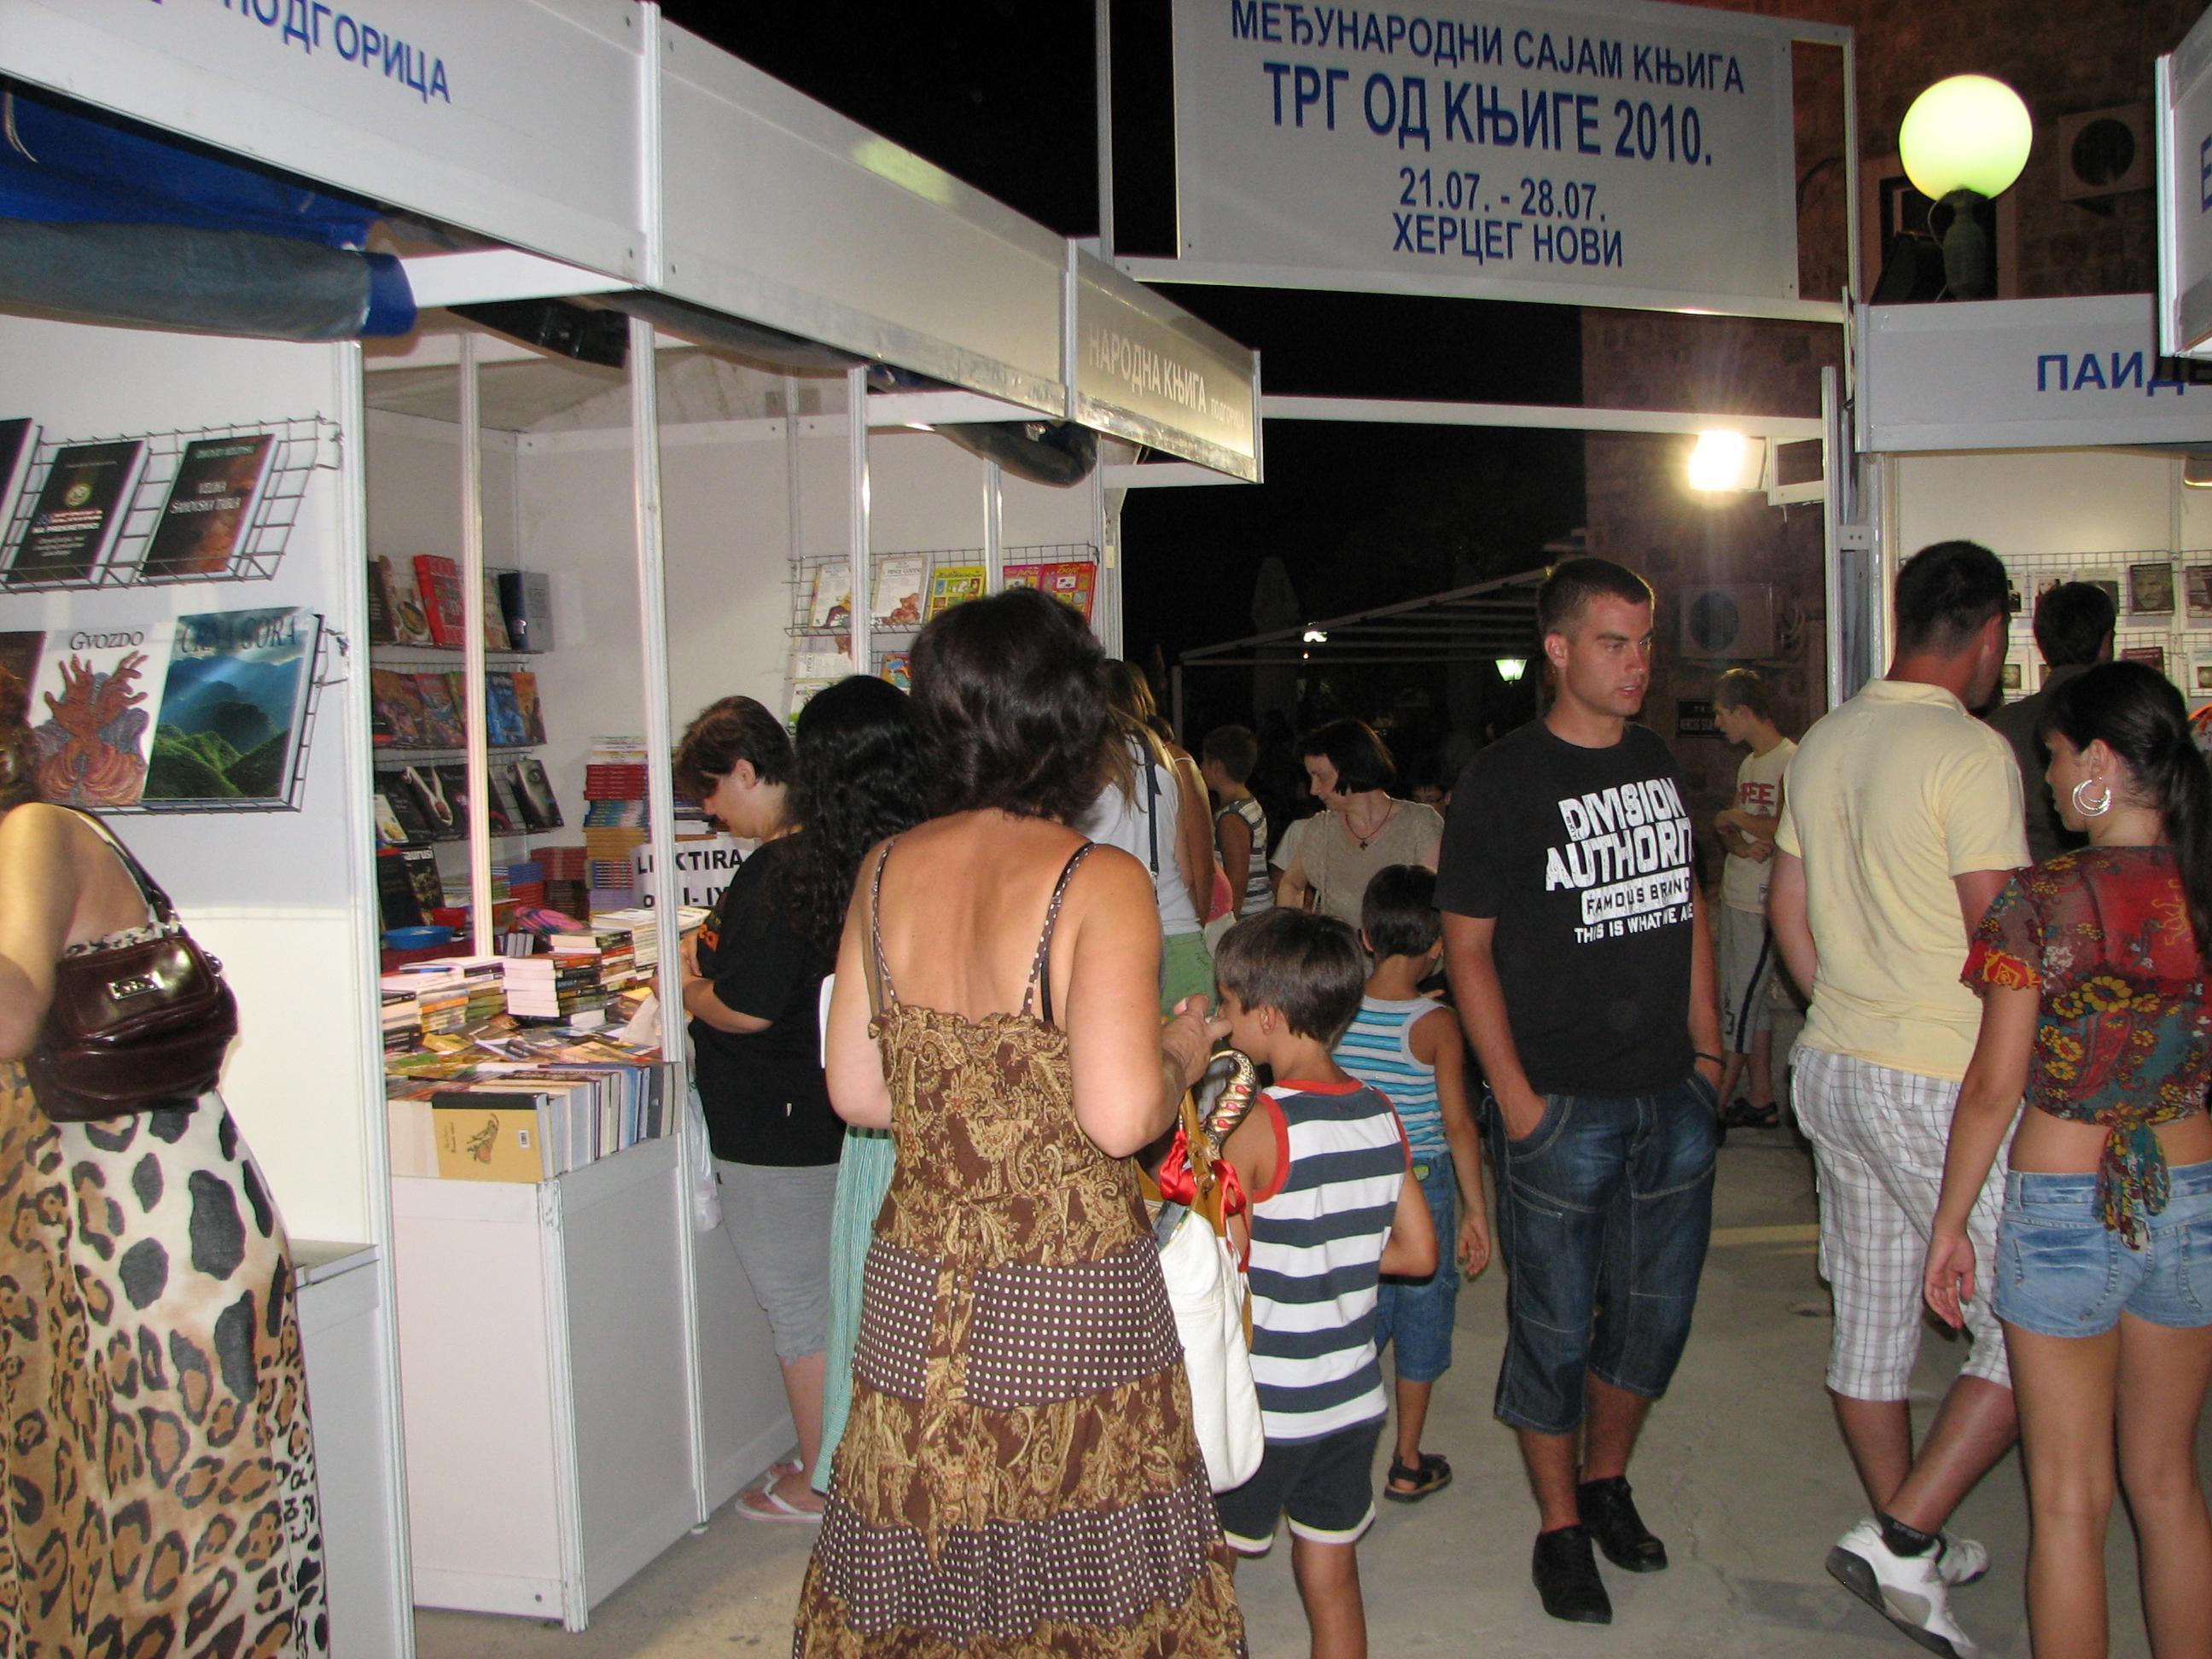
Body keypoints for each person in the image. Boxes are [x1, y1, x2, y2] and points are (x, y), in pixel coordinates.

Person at [794, 587, 1244, 1655]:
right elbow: (1122, 1114)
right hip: (1063, 1279)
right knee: (1078, 1541)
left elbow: (858, 1094)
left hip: (919, 1281)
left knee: (929, 1536)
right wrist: (1184, 1049)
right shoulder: (1098, 880)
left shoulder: (882, 869)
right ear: (1073, 719)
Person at [0, 665, 328, 1655]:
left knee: (178, 1534)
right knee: (84, 1529)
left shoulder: (35, 834)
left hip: (146, 1244)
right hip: (90, 1241)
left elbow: (11, 1016)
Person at [1436, 556, 1723, 1627]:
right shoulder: (1503, 780)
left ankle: (1607, 1484)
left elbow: (1686, 901)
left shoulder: (1653, 759)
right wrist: (1514, 1097)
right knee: (1553, 1331)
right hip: (1559, 1106)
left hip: (1670, 1096)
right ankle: (1559, 1528)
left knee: (1653, 1323)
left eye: (1645, 643)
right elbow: (1466, 951)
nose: (1638, 664)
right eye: (1614, 643)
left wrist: (1707, 1053)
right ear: (1557, 651)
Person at [1767, 539, 2027, 1656]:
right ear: (1988, 633)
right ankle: (1905, 1534)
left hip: (1835, 1064)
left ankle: (1906, 1551)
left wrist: (1849, 1005)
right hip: (1943, 1079)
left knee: (1873, 1325)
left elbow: (1788, 912)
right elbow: (2005, 946)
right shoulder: (1969, 753)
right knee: (2036, 1327)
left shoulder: (1827, 739)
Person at [1924, 661, 2212, 1659]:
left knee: (2067, 1502)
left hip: (2063, 1203)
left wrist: (1951, 1223)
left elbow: (1994, 1085)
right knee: (2168, 1484)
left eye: (2051, 757)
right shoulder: (2200, 888)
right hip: (2191, 1193)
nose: (2047, 782)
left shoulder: (2042, 899)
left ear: (2096, 762)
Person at [1211, 908, 1437, 1659]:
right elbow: (1418, 1252)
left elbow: (1218, 1253)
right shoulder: (1380, 1112)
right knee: (1333, 1574)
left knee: (1207, 1577)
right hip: (1350, 1402)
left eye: (1229, 1007)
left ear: (1269, 1017)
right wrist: (1333, 1253)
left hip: (1265, 1406)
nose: (1223, 1022)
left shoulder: (1259, 1123)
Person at [674, 695, 836, 1522]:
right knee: (827, 1295)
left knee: (798, 1304)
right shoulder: (833, 850)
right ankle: (829, 1454)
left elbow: (749, 1007)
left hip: (773, 1124)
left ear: (745, 770)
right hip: (820, 1109)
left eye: (710, 792)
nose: (710, 814)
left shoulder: (775, 870)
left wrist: (688, 987)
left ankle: (820, 1481)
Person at [774, 678, 930, 1500]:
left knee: (871, 1315)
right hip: (948, 1114)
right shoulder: (938, 853)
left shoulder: (830, 870)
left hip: (874, 1125)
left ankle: (869, 1484)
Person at [1333, 864, 1491, 1505]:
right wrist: (1477, 1210)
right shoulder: (1435, 1024)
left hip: (1351, 1186)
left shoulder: (1337, 1008)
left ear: (1366, 936)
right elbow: (1458, 1125)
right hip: (1422, 1188)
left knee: (1355, 1313)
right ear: (1439, 945)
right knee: (1424, 1312)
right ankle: (1406, 1460)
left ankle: (1338, 1451)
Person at [1078, 661, 1216, 1012]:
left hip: (1110, 942)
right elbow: (1188, 873)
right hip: (1178, 935)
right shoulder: (1166, 763)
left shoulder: (1078, 766)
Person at [1710, 668, 1796, 1129]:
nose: (1718, 724)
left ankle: (1715, 1105)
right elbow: (1733, 829)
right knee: (1751, 1001)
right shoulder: (1749, 764)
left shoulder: (1791, 760)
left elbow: (1786, 826)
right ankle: (1761, 1097)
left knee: (1739, 1006)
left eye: (1722, 714)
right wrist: (1738, 839)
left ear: (1743, 711)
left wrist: (1736, 817)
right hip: (1739, 890)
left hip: (1761, 900)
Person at [1987, 580, 2116, 866]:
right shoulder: (2129, 717)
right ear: (2105, 643)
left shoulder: (2002, 726)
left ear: (2042, 647)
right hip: (2122, 878)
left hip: (2031, 880)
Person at [1278, 720, 1443, 928]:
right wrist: (1293, 935)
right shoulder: (1321, 829)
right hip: (1342, 950)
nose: (1313, 789)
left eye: (1320, 776)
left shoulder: (1419, 824)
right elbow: (1291, 884)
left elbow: (1437, 903)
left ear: (1351, 768)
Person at [1202, 724, 1272, 922]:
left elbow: (1237, 883)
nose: (1201, 767)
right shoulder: (1248, 804)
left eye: (1204, 760)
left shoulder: (1232, 817)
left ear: (1217, 766)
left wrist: (1230, 925)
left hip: (1248, 919)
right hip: (1258, 915)